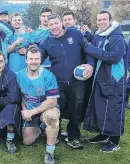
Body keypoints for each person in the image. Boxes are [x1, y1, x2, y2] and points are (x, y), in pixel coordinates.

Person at [39, 14, 94, 149]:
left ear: (61, 23)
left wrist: (90, 64)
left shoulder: (75, 34)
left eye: (56, 23)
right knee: (56, 110)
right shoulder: (46, 42)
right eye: (50, 25)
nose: (54, 27)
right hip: (57, 83)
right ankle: (55, 135)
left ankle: (73, 136)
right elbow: (37, 61)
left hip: (77, 81)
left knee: (76, 110)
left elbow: (88, 51)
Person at [83, 10, 127, 152]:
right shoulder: (99, 35)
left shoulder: (116, 37)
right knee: (102, 107)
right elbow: (93, 50)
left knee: (113, 109)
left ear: (110, 21)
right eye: (99, 20)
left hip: (114, 79)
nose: (101, 22)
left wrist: (91, 49)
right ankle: (103, 134)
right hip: (101, 78)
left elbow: (114, 57)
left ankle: (115, 141)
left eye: (104, 20)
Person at [17, 47, 61, 164]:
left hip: (47, 109)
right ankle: (42, 128)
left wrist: (32, 112)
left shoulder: (49, 76)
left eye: (37, 59)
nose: (34, 61)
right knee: (27, 141)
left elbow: (52, 101)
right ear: (26, 60)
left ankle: (50, 152)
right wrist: (24, 109)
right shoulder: (19, 75)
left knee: (51, 117)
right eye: (31, 59)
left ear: (41, 60)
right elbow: (20, 95)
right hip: (30, 111)